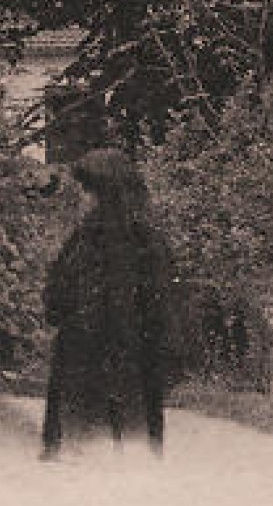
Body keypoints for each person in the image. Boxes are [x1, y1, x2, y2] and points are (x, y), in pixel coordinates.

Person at [39, 148, 174, 460]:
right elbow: (59, 291)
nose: (82, 198)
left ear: (105, 194)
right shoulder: (94, 236)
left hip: (110, 355)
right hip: (102, 354)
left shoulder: (128, 241)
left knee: (104, 446)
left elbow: (160, 303)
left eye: (87, 190)